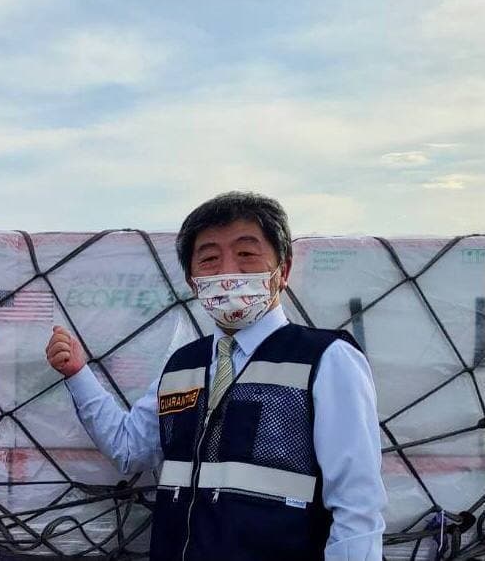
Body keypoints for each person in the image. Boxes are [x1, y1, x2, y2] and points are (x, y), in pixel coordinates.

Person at [46, 191, 386, 561]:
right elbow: (129, 450)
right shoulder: (183, 365)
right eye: (209, 259)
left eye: (246, 254)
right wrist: (77, 374)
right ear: (193, 283)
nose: (227, 272)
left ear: (283, 271)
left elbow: (357, 507)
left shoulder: (326, 359)